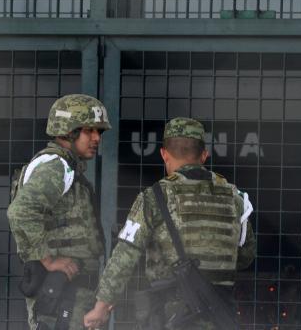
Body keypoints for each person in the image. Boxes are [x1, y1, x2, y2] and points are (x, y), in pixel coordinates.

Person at [84, 118, 256, 330]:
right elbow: (246, 255)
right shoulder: (236, 198)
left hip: (170, 316)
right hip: (221, 315)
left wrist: (101, 307)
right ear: (204, 155)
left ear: (164, 154)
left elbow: (125, 255)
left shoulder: (154, 197)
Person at [7, 94, 110, 330]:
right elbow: (20, 212)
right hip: (62, 294)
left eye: (99, 132)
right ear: (68, 131)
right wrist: (48, 259)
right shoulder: (56, 165)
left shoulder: (64, 165)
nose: (96, 138)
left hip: (70, 293)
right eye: (89, 130)